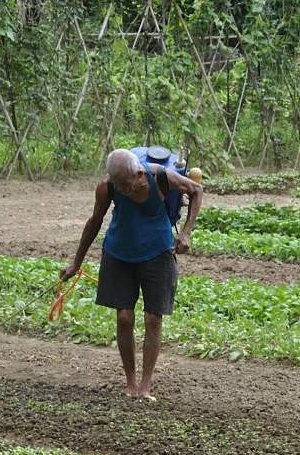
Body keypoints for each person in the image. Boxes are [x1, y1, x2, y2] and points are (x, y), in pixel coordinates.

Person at [61, 148, 203, 400]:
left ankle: (145, 385)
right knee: (124, 317)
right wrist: (76, 263)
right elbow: (95, 221)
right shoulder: (107, 186)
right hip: (119, 252)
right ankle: (130, 383)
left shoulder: (161, 176)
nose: (123, 190)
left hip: (158, 251)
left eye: (126, 184)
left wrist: (185, 232)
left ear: (139, 174)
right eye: (118, 185)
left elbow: (196, 189)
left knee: (153, 318)